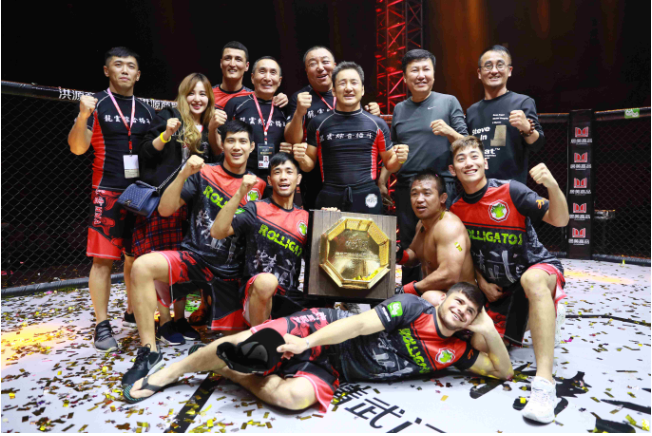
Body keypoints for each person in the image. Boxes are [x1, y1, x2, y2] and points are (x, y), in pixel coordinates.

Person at [123, 283, 514, 413]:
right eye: (458, 301)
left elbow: (504, 371)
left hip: (339, 368)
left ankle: (232, 370)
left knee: (292, 399)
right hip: (325, 328)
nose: (461, 310)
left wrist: (487, 329)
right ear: (444, 298)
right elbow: (358, 324)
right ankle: (170, 372)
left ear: (472, 319)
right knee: (249, 342)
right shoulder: (412, 307)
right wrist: (306, 341)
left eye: (470, 311)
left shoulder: (458, 352)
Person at [121, 120, 267, 386]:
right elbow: (165, 210)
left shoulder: (260, 185)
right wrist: (183, 174)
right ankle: (149, 351)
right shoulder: (204, 173)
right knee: (141, 266)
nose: (236, 146)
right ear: (222, 144)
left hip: (230, 273)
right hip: (194, 258)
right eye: (231, 140)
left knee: (234, 345)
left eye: (242, 141)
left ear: (252, 147)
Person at [448, 136, 568, 424]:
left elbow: (560, 220)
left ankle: (544, 385)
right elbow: (466, 255)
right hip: (502, 291)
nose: (469, 163)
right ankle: (544, 315)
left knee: (531, 280)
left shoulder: (511, 190)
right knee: (480, 342)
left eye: (474, 156)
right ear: (453, 170)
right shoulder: (456, 209)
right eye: (461, 159)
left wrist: (552, 185)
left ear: (485, 162)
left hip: (538, 270)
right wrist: (480, 281)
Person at [67, 47, 156, 352]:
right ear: (107, 70)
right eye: (118, 65)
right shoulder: (95, 104)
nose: (125, 70)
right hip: (106, 191)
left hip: (140, 192)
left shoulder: (146, 110)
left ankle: (132, 312)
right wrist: (82, 116)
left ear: (138, 74)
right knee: (103, 260)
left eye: (130, 66)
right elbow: (77, 148)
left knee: (136, 258)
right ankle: (102, 324)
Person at [134, 73, 217, 345]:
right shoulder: (169, 116)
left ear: (209, 98)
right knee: (161, 262)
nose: (197, 98)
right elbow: (145, 151)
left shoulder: (210, 125)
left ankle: (180, 318)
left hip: (193, 206)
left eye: (202, 93)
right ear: (183, 95)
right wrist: (166, 134)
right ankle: (165, 322)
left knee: (183, 263)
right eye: (191, 93)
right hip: (165, 202)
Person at [377, 49, 468, 287]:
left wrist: (449, 131)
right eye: (414, 70)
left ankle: (446, 292)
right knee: (410, 245)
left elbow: (467, 144)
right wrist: (383, 180)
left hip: (441, 186)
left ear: (434, 74)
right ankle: (410, 294)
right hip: (407, 187)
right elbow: (394, 150)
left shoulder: (448, 102)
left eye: (426, 69)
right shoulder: (399, 109)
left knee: (442, 241)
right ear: (404, 78)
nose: (421, 75)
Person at [296, 62, 408, 213]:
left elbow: (390, 164)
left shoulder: (377, 124)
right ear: (333, 90)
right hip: (330, 196)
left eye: (354, 83)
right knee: (327, 230)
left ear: (362, 90)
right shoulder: (318, 123)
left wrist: (400, 158)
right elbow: (308, 165)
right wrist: (301, 157)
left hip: (368, 196)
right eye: (342, 83)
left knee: (369, 230)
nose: (348, 88)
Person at [211, 153, 307, 327]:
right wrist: (240, 192)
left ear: (298, 178)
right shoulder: (255, 209)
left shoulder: (306, 217)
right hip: (255, 294)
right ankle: (259, 338)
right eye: (277, 172)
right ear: (269, 180)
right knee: (267, 282)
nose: (283, 177)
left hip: (288, 299)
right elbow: (217, 232)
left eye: (289, 172)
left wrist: (328, 220)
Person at [284, 46, 381, 209]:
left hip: (354, 175)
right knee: (321, 223)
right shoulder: (300, 98)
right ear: (306, 71)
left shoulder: (349, 94)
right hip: (315, 178)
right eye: (313, 63)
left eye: (325, 61)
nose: (320, 67)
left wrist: (373, 114)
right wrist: (299, 112)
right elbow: (292, 139)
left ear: (335, 66)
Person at [465, 45, 545, 184]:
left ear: (509, 71)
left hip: (512, 187)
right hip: (478, 187)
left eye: (500, 65)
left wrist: (526, 127)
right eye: (488, 66)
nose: (494, 71)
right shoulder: (472, 111)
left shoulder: (522, 102)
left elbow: (537, 145)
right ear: (479, 73)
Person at [395, 169, 475, 298]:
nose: (419, 199)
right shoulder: (422, 223)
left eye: (427, 193)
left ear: (442, 198)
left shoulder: (448, 226)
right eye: (414, 194)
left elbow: (449, 275)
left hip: (462, 298)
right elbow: (414, 254)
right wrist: (399, 255)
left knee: (429, 297)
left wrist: (408, 290)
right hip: (439, 296)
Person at [208, 42, 288, 157]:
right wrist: (212, 128)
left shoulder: (275, 102)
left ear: (247, 66)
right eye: (228, 58)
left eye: (238, 59)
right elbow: (220, 148)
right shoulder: (205, 96)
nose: (232, 64)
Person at [223, 57, 288, 181]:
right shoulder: (235, 104)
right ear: (252, 78)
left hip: (276, 178)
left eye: (273, 73)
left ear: (279, 81)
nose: (267, 78)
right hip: (240, 176)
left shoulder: (285, 108)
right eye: (262, 71)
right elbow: (221, 142)